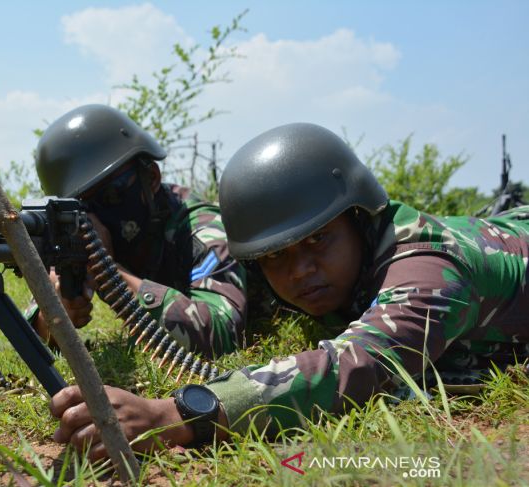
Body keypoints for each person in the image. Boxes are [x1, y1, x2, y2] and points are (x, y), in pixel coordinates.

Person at [49, 122, 529, 460]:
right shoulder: (311, 263)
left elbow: (357, 364)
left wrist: (170, 415)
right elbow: (220, 302)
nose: (300, 271)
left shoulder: (429, 266)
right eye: (276, 256)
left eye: (318, 240)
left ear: (358, 217)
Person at [26, 104, 272, 359]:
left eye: (111, 195)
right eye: (80, 207)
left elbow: (222, 335)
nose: (93, 221)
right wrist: (56, 315)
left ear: (151, 177)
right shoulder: (74, 232)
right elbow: (32, 334)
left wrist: (108, 271)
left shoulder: (199, 227)